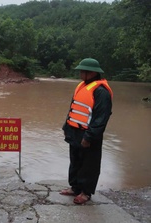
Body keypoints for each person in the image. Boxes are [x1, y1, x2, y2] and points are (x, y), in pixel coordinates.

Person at [60, 58, 113, 204]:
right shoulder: (81, 86)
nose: (81, 73)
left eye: (84, 71)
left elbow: (101, 118)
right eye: (81, 71)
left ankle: (85, 192)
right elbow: (74, 108)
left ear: (93, 73)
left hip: (89, 134)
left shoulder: (101, 92)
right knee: (75, 160)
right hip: (75, 131)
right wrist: (66, 127)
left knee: (89, 164)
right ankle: (75, 187)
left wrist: (89, 137)